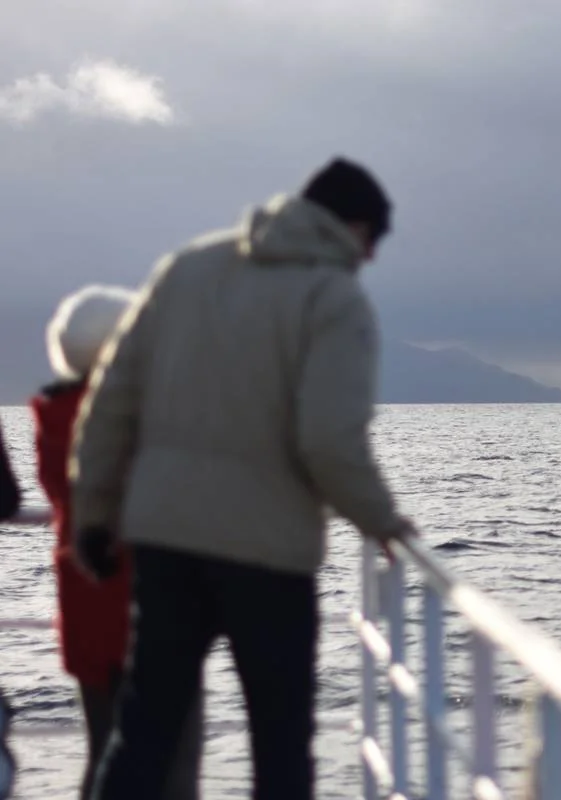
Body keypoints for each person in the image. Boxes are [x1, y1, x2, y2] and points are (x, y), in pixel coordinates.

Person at [69, 157, 414, 800]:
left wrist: (92, 513)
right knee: (279, 746)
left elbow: (112, 401)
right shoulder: (334, 299)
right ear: (355, 228)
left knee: (145, 731)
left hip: (166, 542)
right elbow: (329, 440)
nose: (369, 259)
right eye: (373, 241)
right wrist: (383, 521)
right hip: (267, 554)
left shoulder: (188, 268)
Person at [33, 285, 205, 799]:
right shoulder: (144, 420)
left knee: (104, 752)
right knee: (175, 760)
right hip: (154, 606)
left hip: (85, 605)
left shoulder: (53, 420)